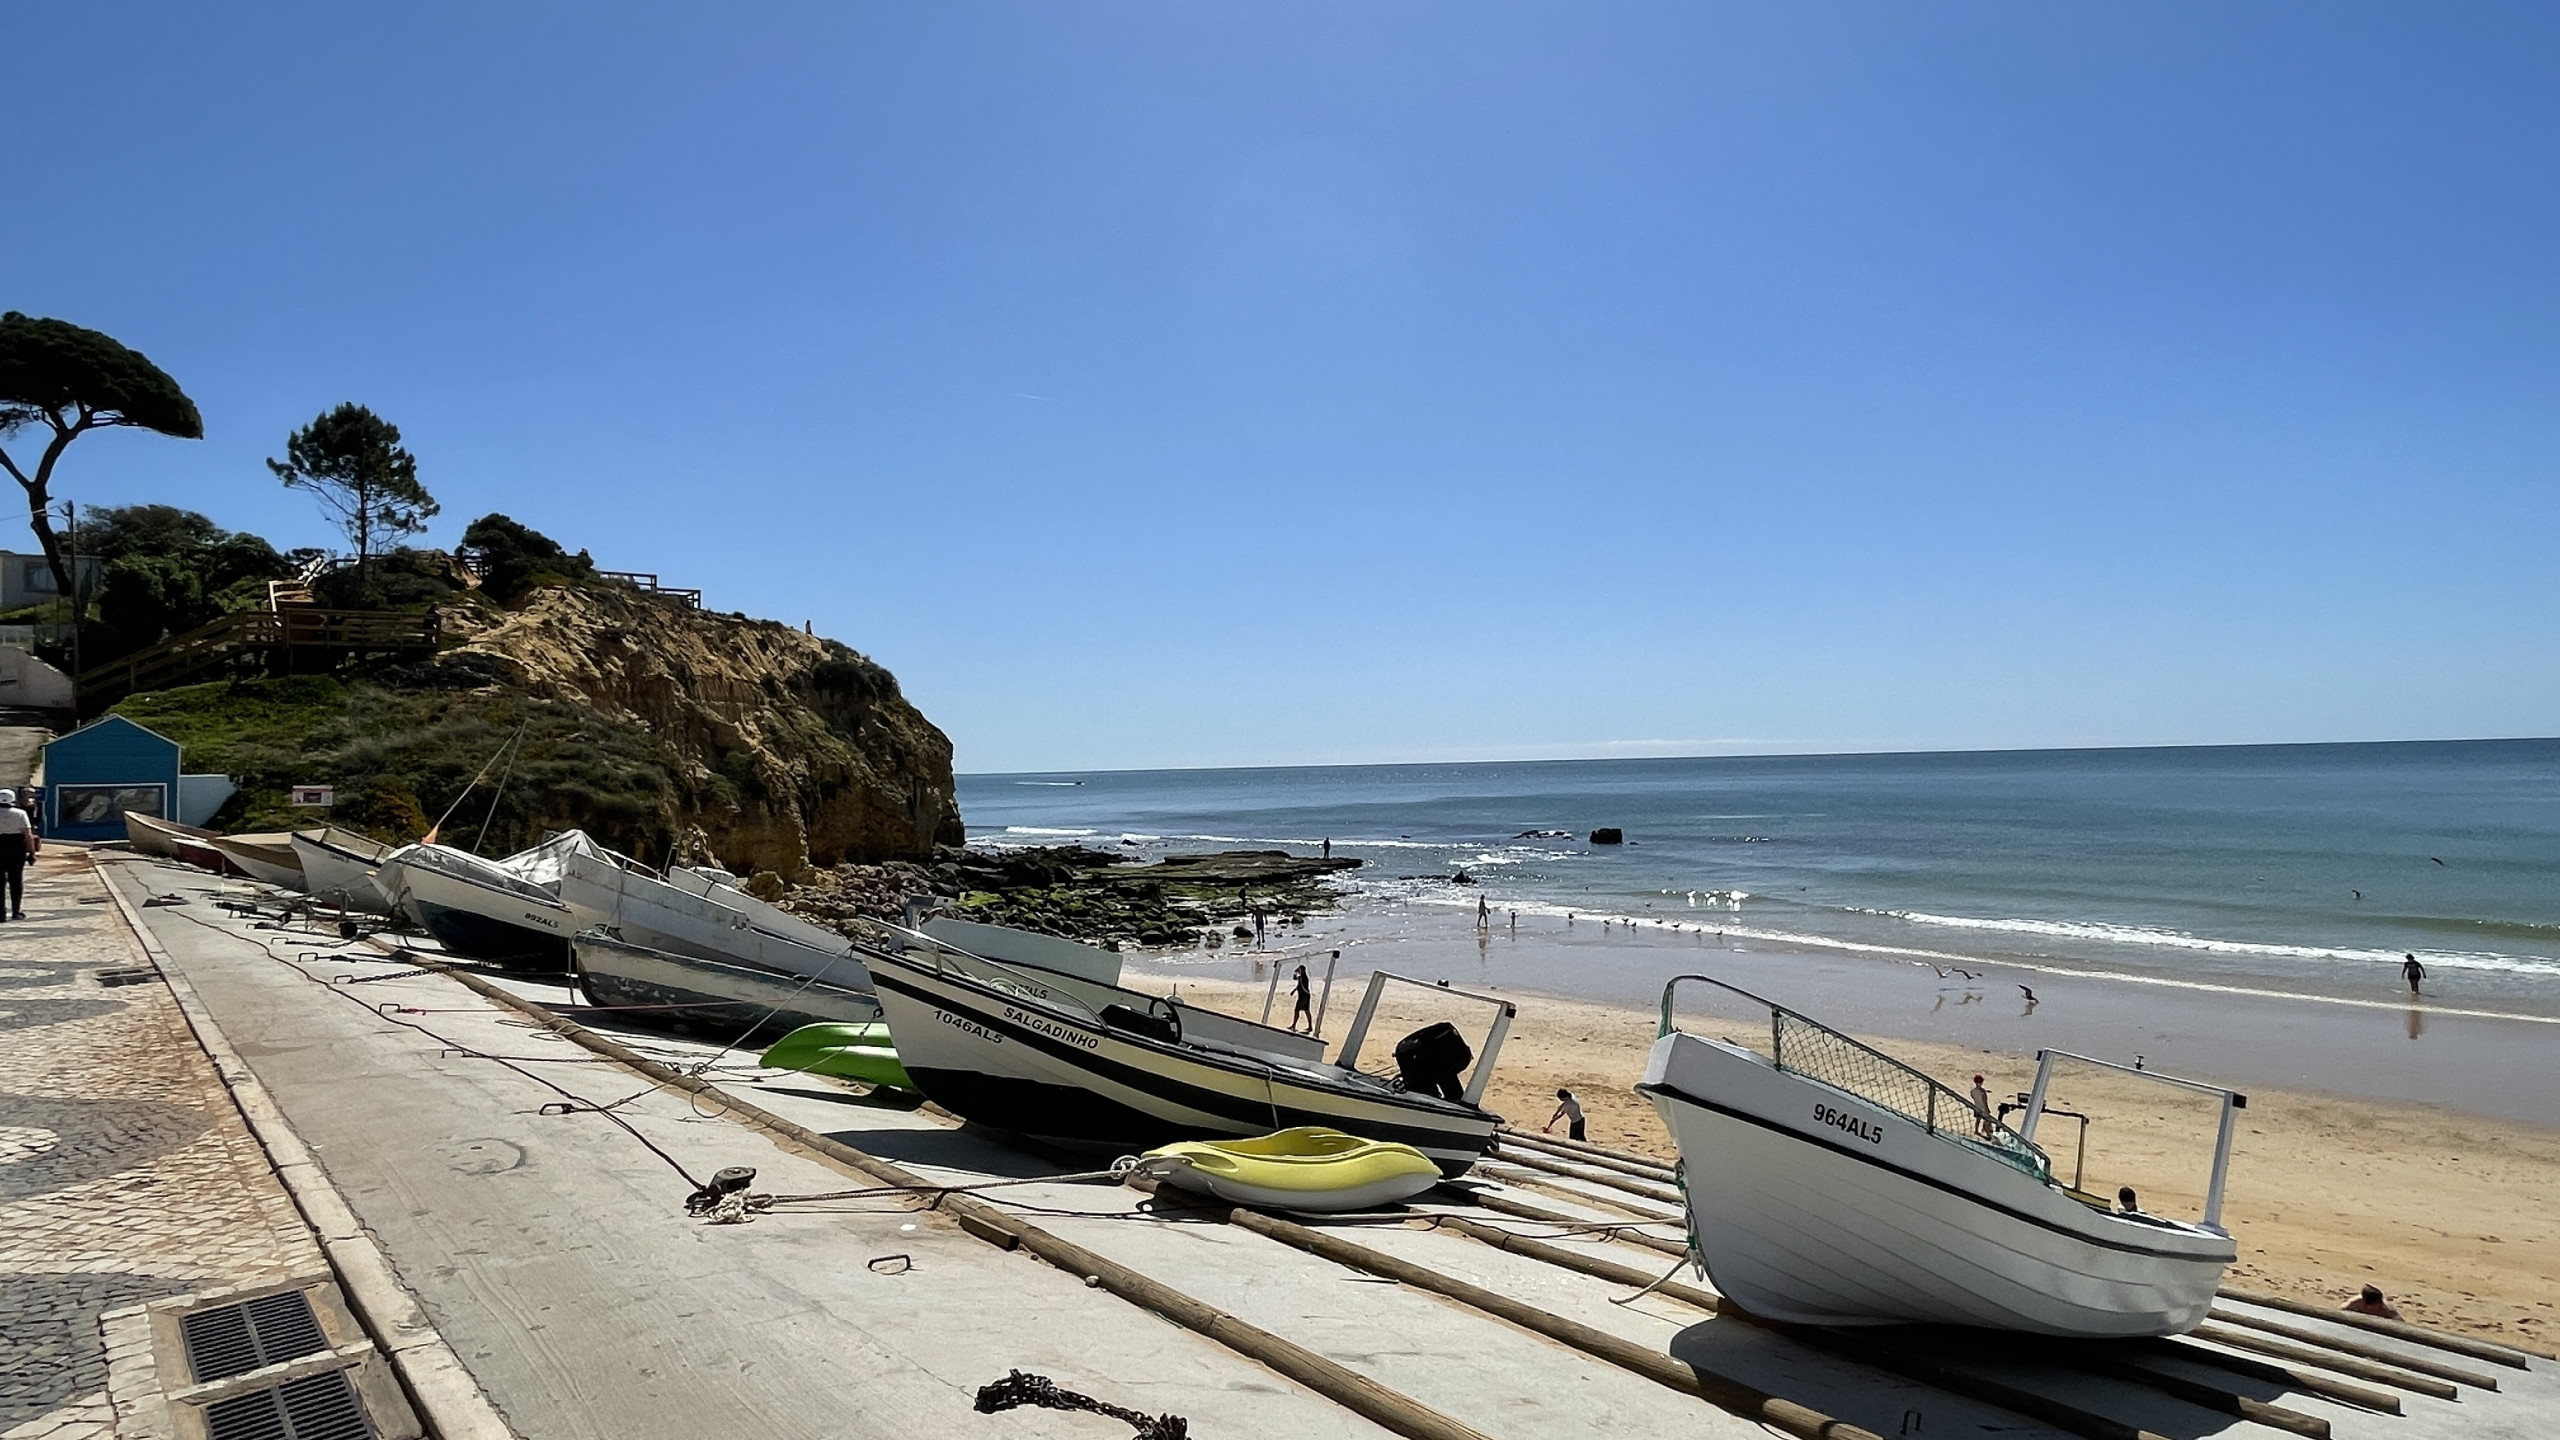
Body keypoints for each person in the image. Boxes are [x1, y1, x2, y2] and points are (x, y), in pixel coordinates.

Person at [0, 789, 35, 922]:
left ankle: (1, 914)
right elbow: (28, 835)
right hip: (16, 849)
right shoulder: (20, 814)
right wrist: (31, 852)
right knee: (16, 881)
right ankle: (16, 911)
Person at [1289, 964, 1313, 1032]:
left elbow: (1300, 984)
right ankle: (1309, 1026)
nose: (1299, 971)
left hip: (1304, 996)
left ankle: (1294, 1025)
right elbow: (1296, 981)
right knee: (1306, 1011)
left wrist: (1296, 972)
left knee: (1298, 1010)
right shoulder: (1301, 977)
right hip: (1303, 996)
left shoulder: (1303, 977)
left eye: (1300, 970)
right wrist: (1295, 972)